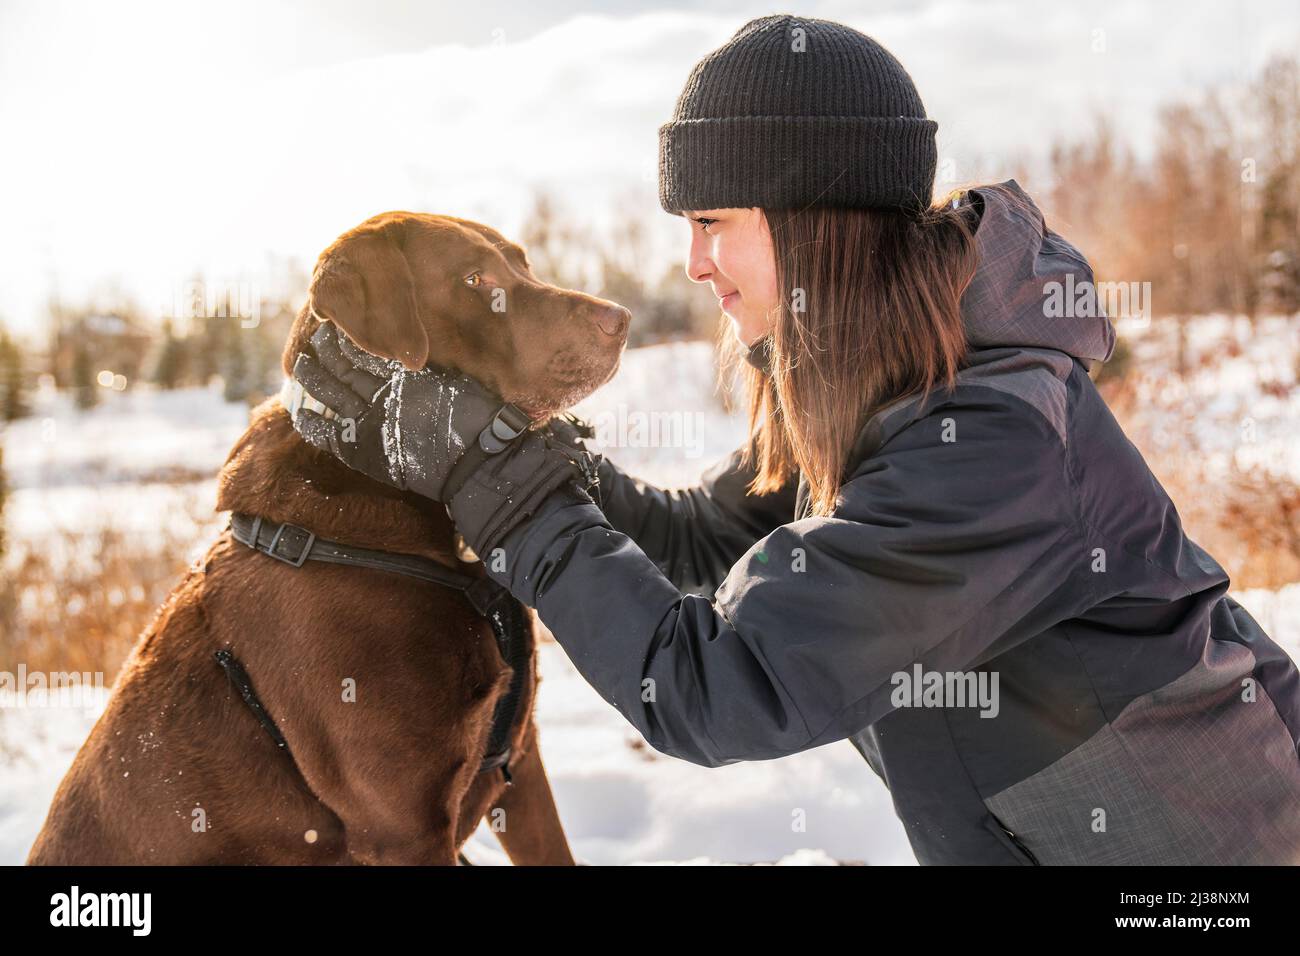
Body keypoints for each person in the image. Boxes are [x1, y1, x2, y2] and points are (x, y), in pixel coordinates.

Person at [288, 14, 1300, 865]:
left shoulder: (988, 444)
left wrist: (494, 477)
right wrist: (521, 452)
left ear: (811, 219)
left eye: (713, 218)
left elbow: (721, 688)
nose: (692, 262)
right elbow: (701, 542)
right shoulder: (879, 386)